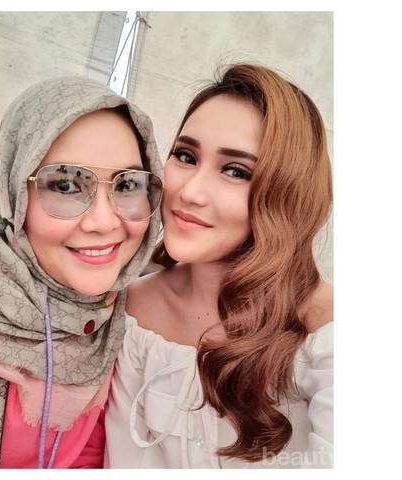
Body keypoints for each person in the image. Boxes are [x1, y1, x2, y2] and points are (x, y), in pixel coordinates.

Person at [104, 63, 333, 468]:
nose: (190, 192)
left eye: (236, 171)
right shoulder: (130, 310)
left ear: (287, 194)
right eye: (185, 156)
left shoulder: (328, 327)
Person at [0, 76, 163, 468]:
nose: (104, 221)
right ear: (11, 191)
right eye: (65, 184)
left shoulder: (117, 325)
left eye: (128, 185)